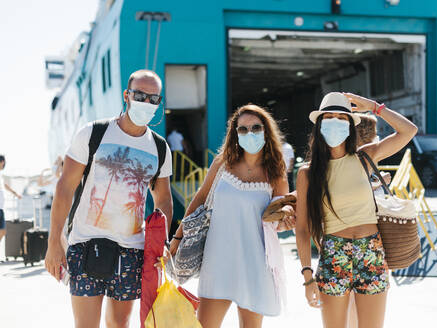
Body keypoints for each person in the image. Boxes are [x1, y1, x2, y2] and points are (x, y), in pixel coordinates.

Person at [44, 69, 173, 328]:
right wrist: (54, 243)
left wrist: (162, 242)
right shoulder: (93, 133)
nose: (146, 103)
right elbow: (65, 188)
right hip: (85, 245)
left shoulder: (159, 148)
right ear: (127, 95)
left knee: (119, 325)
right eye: (139, 95)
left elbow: (164, 199)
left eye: (153, 99)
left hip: (132, 251)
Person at [296, 92, 417, 328]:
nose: (334, 122)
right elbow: (302, 229)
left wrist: (374, 107)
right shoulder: (308, 173)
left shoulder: (365, 157)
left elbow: (408, 131)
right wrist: (307, 276)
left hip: (371, 251)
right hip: (334, 254)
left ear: (350, 125)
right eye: (328, 117)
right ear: (319, 126)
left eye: (341, 118)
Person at [170, 104, 295, 328]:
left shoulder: (276, 174)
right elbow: (199, 199)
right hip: (217, 261)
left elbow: (278, 220)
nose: (250, 133)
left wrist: (287, 217)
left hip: (256, 263)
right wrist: (178, 238)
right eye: (243, 129)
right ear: (235, 134)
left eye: (256, 127)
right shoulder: (222, 163)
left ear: (266, 130)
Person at [0, 155, 22, 247]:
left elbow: (4, 185)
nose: (2, 163)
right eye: (2, 161)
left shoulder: (0, 175)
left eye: (3, 162)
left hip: (1, 208)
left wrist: (15, 193)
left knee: (3, 231)